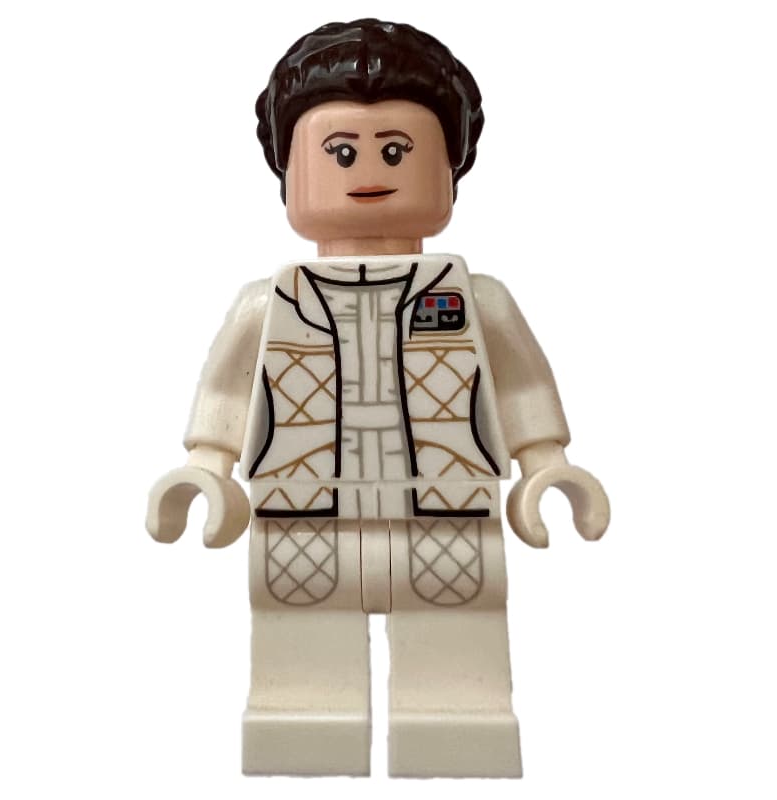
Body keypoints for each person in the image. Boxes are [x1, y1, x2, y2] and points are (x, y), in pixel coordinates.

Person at [146, 18, 609, 778]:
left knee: (458, 622)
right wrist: (205, 468)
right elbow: (225, 394)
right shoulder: (269, 302)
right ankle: (302, 717)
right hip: (303, 503)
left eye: (397, 151)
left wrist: (547, 464)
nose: (368, 170)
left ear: (448, 173)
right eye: (340, 152)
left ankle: (457, 718)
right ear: (290, 174)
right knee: (300, 628)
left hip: (446, 502)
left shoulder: (477, 300)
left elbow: (523, 385)